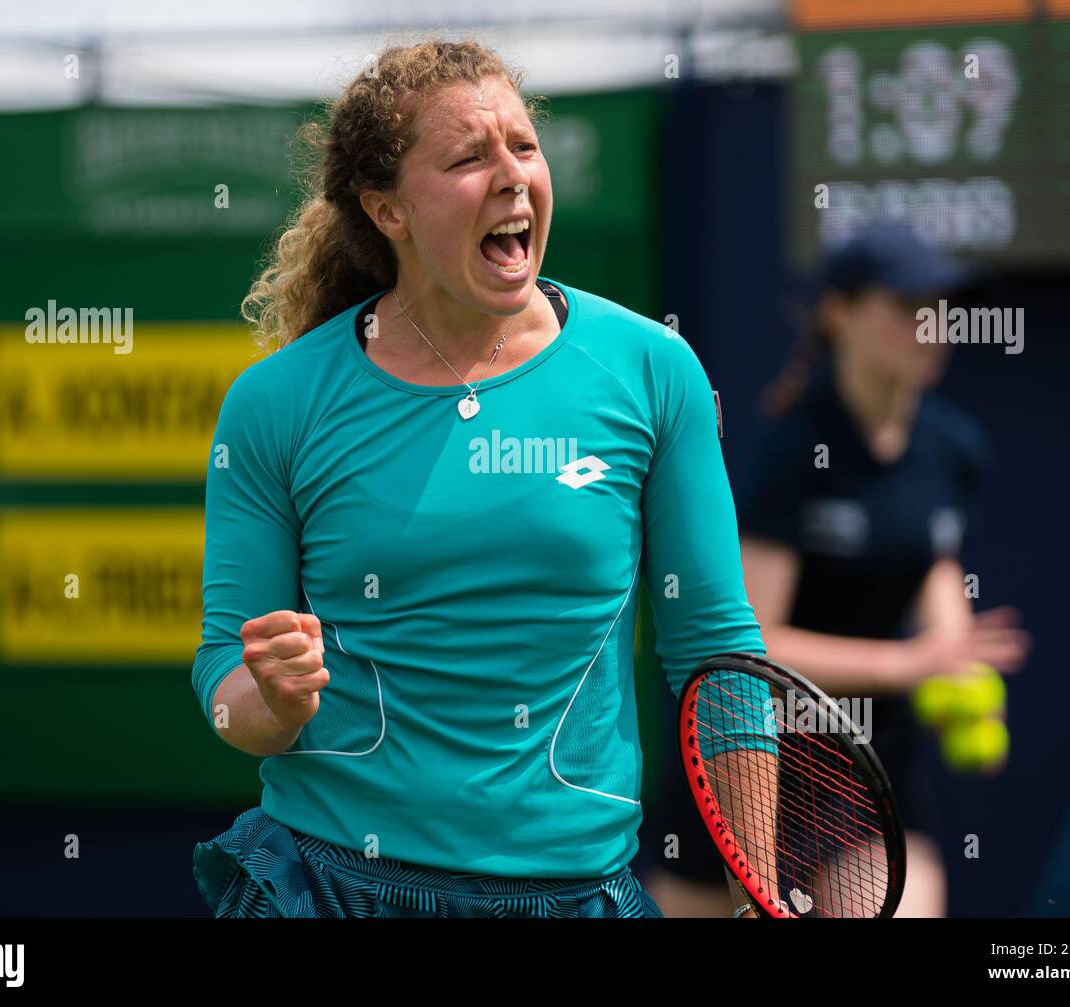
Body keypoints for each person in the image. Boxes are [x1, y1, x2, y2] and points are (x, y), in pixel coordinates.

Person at [188, 39, 773, 918]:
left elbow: (716, 657)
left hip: (574, 893)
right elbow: (223, 686)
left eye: (526, 147)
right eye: (469, 157)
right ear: (387, 209)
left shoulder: (655, 370)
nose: (513, 176)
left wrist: (759, 896)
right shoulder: (274, 404)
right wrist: (269, 699)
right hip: (330, 885)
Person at [639, 222, 1032, 917]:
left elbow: (934, 568)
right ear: (839, 314)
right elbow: (752, 645)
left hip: (869, 773)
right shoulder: (791, 451)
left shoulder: (953, 449)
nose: (932, 325)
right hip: (750, 761)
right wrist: (912, 663)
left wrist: (962, 672)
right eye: (907, 307)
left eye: (940, 307)